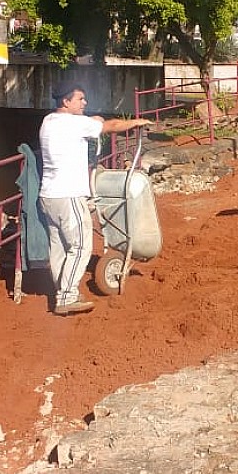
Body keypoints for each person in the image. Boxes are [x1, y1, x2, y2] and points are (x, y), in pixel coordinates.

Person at [39, 86, 151, 315]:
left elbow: (91, 122)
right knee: (80, 245)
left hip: (48, 195)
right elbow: (110, 126)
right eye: (80, 99)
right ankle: (67, 297)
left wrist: (93, 120)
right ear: (66, 102)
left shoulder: (49, 121)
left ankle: (62, 289)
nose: (84, 102)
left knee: (59, 246)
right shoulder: (74, 124)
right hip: (68, 194)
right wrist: (136, 123)